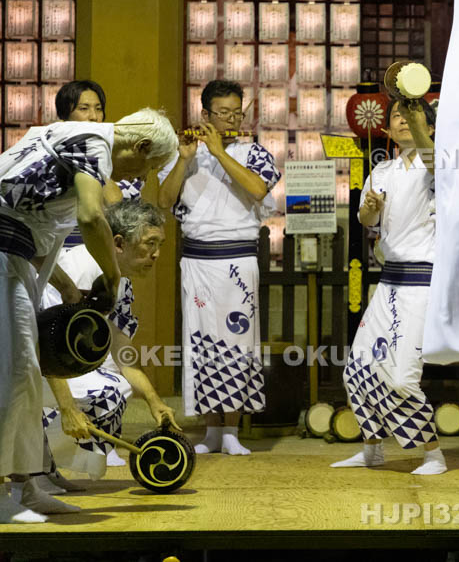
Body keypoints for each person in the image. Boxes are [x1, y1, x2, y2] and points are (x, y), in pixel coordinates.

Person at [0, 109, 177, 523]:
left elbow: (32, 221)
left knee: (22, 374)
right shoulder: (94, 142)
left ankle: (27, 485)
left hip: (16, 253)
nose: (140, 175)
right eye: (150, 166)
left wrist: (62, 285)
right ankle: (7, 492)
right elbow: (90, 215)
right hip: (4, 254)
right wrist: (111, 276)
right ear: (143, 146)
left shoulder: (62, 134)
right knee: (15, 373)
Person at [157, 79, 280, 456]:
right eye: (221, 113)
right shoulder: (185, 153)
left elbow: (257, 190)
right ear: (205, 114)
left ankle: (232, 429)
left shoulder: (254, 152)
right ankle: (210, 429)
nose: (229, 119)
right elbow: (164, 201)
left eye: (235, 112)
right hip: (197, 259)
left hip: (238, 259)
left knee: (238, 341)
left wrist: (219, 152)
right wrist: (184, 159)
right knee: (201, 343)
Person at [332, 98, 448, 475]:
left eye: (410, 117)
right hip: (390, 279)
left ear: (428, 127)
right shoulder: (382, 169)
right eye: (396, 116)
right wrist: (370, 206)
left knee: (401, 375)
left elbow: (435, 163)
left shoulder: (439, 163)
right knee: (358, 366)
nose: (400, 121)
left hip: (423, 281)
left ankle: (433, 454)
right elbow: (367, 220)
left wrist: (420, 123)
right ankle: (372, 449)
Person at [39, 200, 179, 495]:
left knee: (116, 386)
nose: (156, 254)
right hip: (27, 362)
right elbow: (42, 344)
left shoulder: (119, 280)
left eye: (160, 244)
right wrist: (66, 409)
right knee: (102, 392)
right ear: (118, 243)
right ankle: (30, 471)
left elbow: (122, 353)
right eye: (149, 243)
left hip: (49, 363)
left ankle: (43, 468)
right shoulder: (77, 267)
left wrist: (155, 401)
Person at [55, 81, 143, 253]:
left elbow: (116, 204)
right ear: (65, 116)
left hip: (101, 252)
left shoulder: (109, 153)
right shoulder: (53, 151)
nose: (94, 116)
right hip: (59, 254)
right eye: (84, 108)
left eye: (98, 108)